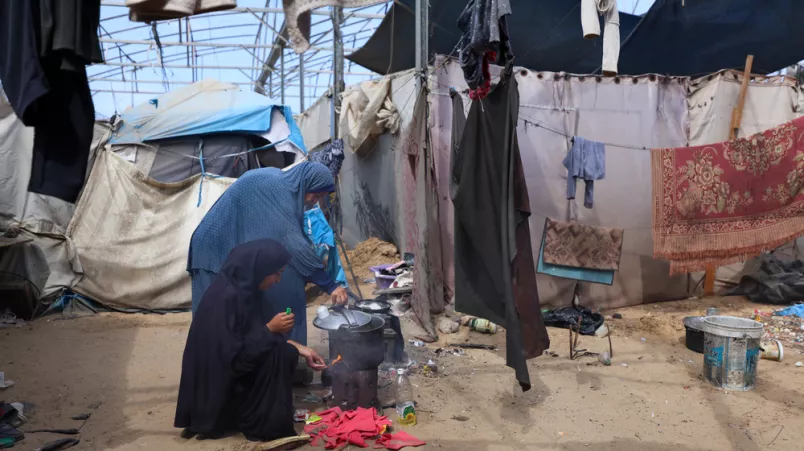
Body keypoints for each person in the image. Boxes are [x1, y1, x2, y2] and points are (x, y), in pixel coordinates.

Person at [175, 239, 327, 442]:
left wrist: (302, 348)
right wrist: (270, 329)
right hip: (217, 396)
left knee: (287, 352)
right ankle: (265, 425)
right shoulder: (223, 301)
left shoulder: (247, 292)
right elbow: (234, 361)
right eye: (277, 273)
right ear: (260, 269)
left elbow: (252, 338)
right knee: (280, 355)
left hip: (232, 377)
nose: (278, 280)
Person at [188, 161, 349, 346]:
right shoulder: (282, 192)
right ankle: (211, 369)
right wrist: (329, 285)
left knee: (233, 322)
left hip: (223, 248)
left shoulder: (284, 185)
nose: (315, 200)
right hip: (212, 250)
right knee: (213, 323)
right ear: (307, 183)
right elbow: (293, 244)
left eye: (320, 197)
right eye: (316, 193)